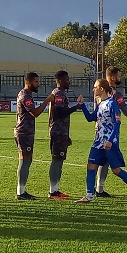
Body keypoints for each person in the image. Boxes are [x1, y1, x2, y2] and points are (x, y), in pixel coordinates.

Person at [75, 79, 127, 203]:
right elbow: (90, 118)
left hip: (109, 143)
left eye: (95, 87)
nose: (93, 89)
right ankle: (89, 195)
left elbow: (117, 123)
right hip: (98, 141)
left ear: (101, 88)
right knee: (91, 166)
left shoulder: (112, 103)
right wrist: (82, 106)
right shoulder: (101, 104)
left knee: (116, 170)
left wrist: (110, 140)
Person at [95, 66, 127, 197]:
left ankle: (99, 189)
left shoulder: (98, 92)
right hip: (111, 133)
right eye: (119, 76)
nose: (120, 78)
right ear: (112, 77)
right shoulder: (115, 94)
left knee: (102, 161)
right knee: (114, 165)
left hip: (99, 131)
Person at [14, 72, 55, 200]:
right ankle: (21, 192)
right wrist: (47, 101)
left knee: (27, 159)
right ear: (29, 82)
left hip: (26, 132)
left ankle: (22, 191)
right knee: (25, 159)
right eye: (36, 82)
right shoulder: (25, 95)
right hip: (23, 132)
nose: (38, 84)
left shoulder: (27, 95)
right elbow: (35, 113)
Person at [48, 70, 83, 199]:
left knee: (60, 159)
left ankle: (56, 189)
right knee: (57, 159)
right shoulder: (58, 94)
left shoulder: (61, 94)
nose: (69, 82)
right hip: (58, 132)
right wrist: (76, 107)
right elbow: (58, 113)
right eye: (67, 79)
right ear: (61, 81)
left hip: (61, 132)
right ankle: (53, 191)